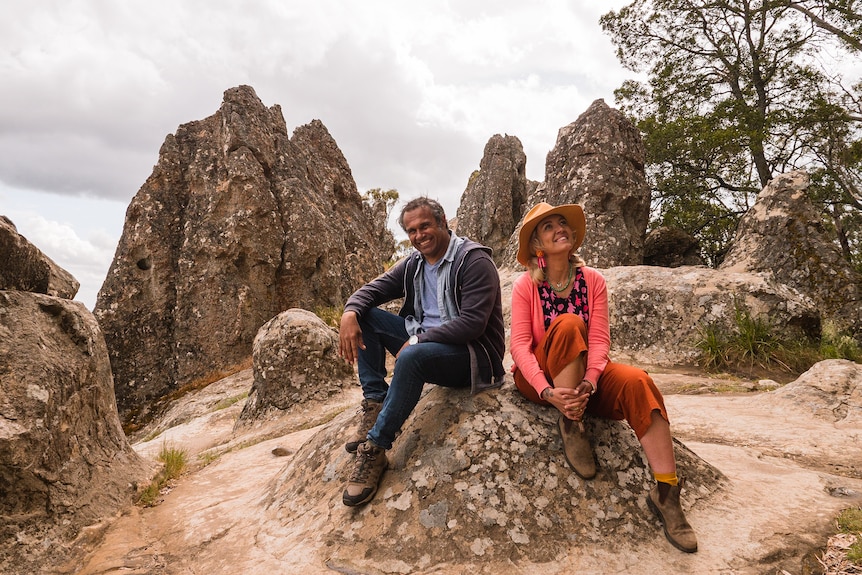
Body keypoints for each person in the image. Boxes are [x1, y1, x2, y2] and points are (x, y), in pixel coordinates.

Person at [509, 201, 698, 553]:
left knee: (638, 381)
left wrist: (592, 380)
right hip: (540, 380)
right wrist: (548, 391)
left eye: (562, 223)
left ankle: (667, 494)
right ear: (537, 245)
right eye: (548, 227)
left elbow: (599, 340)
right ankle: (571, 422)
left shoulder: (592, 280)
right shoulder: (525, 286)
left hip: (584, 378)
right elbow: (519, 345)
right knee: (568, 323)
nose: (558, 229)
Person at [338, 196, 505, 507]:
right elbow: (373, 289)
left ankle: (375, 448)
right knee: (365, 316)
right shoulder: (414, 263)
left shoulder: (474, 261)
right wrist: (350, 312)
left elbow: (472, 324)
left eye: (425, 226)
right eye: (412, 230)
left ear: (442, 223)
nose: (419, 235)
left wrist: (418, 341)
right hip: (427, 345)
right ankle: (375, 402)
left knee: (413, 356)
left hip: (471, 357)